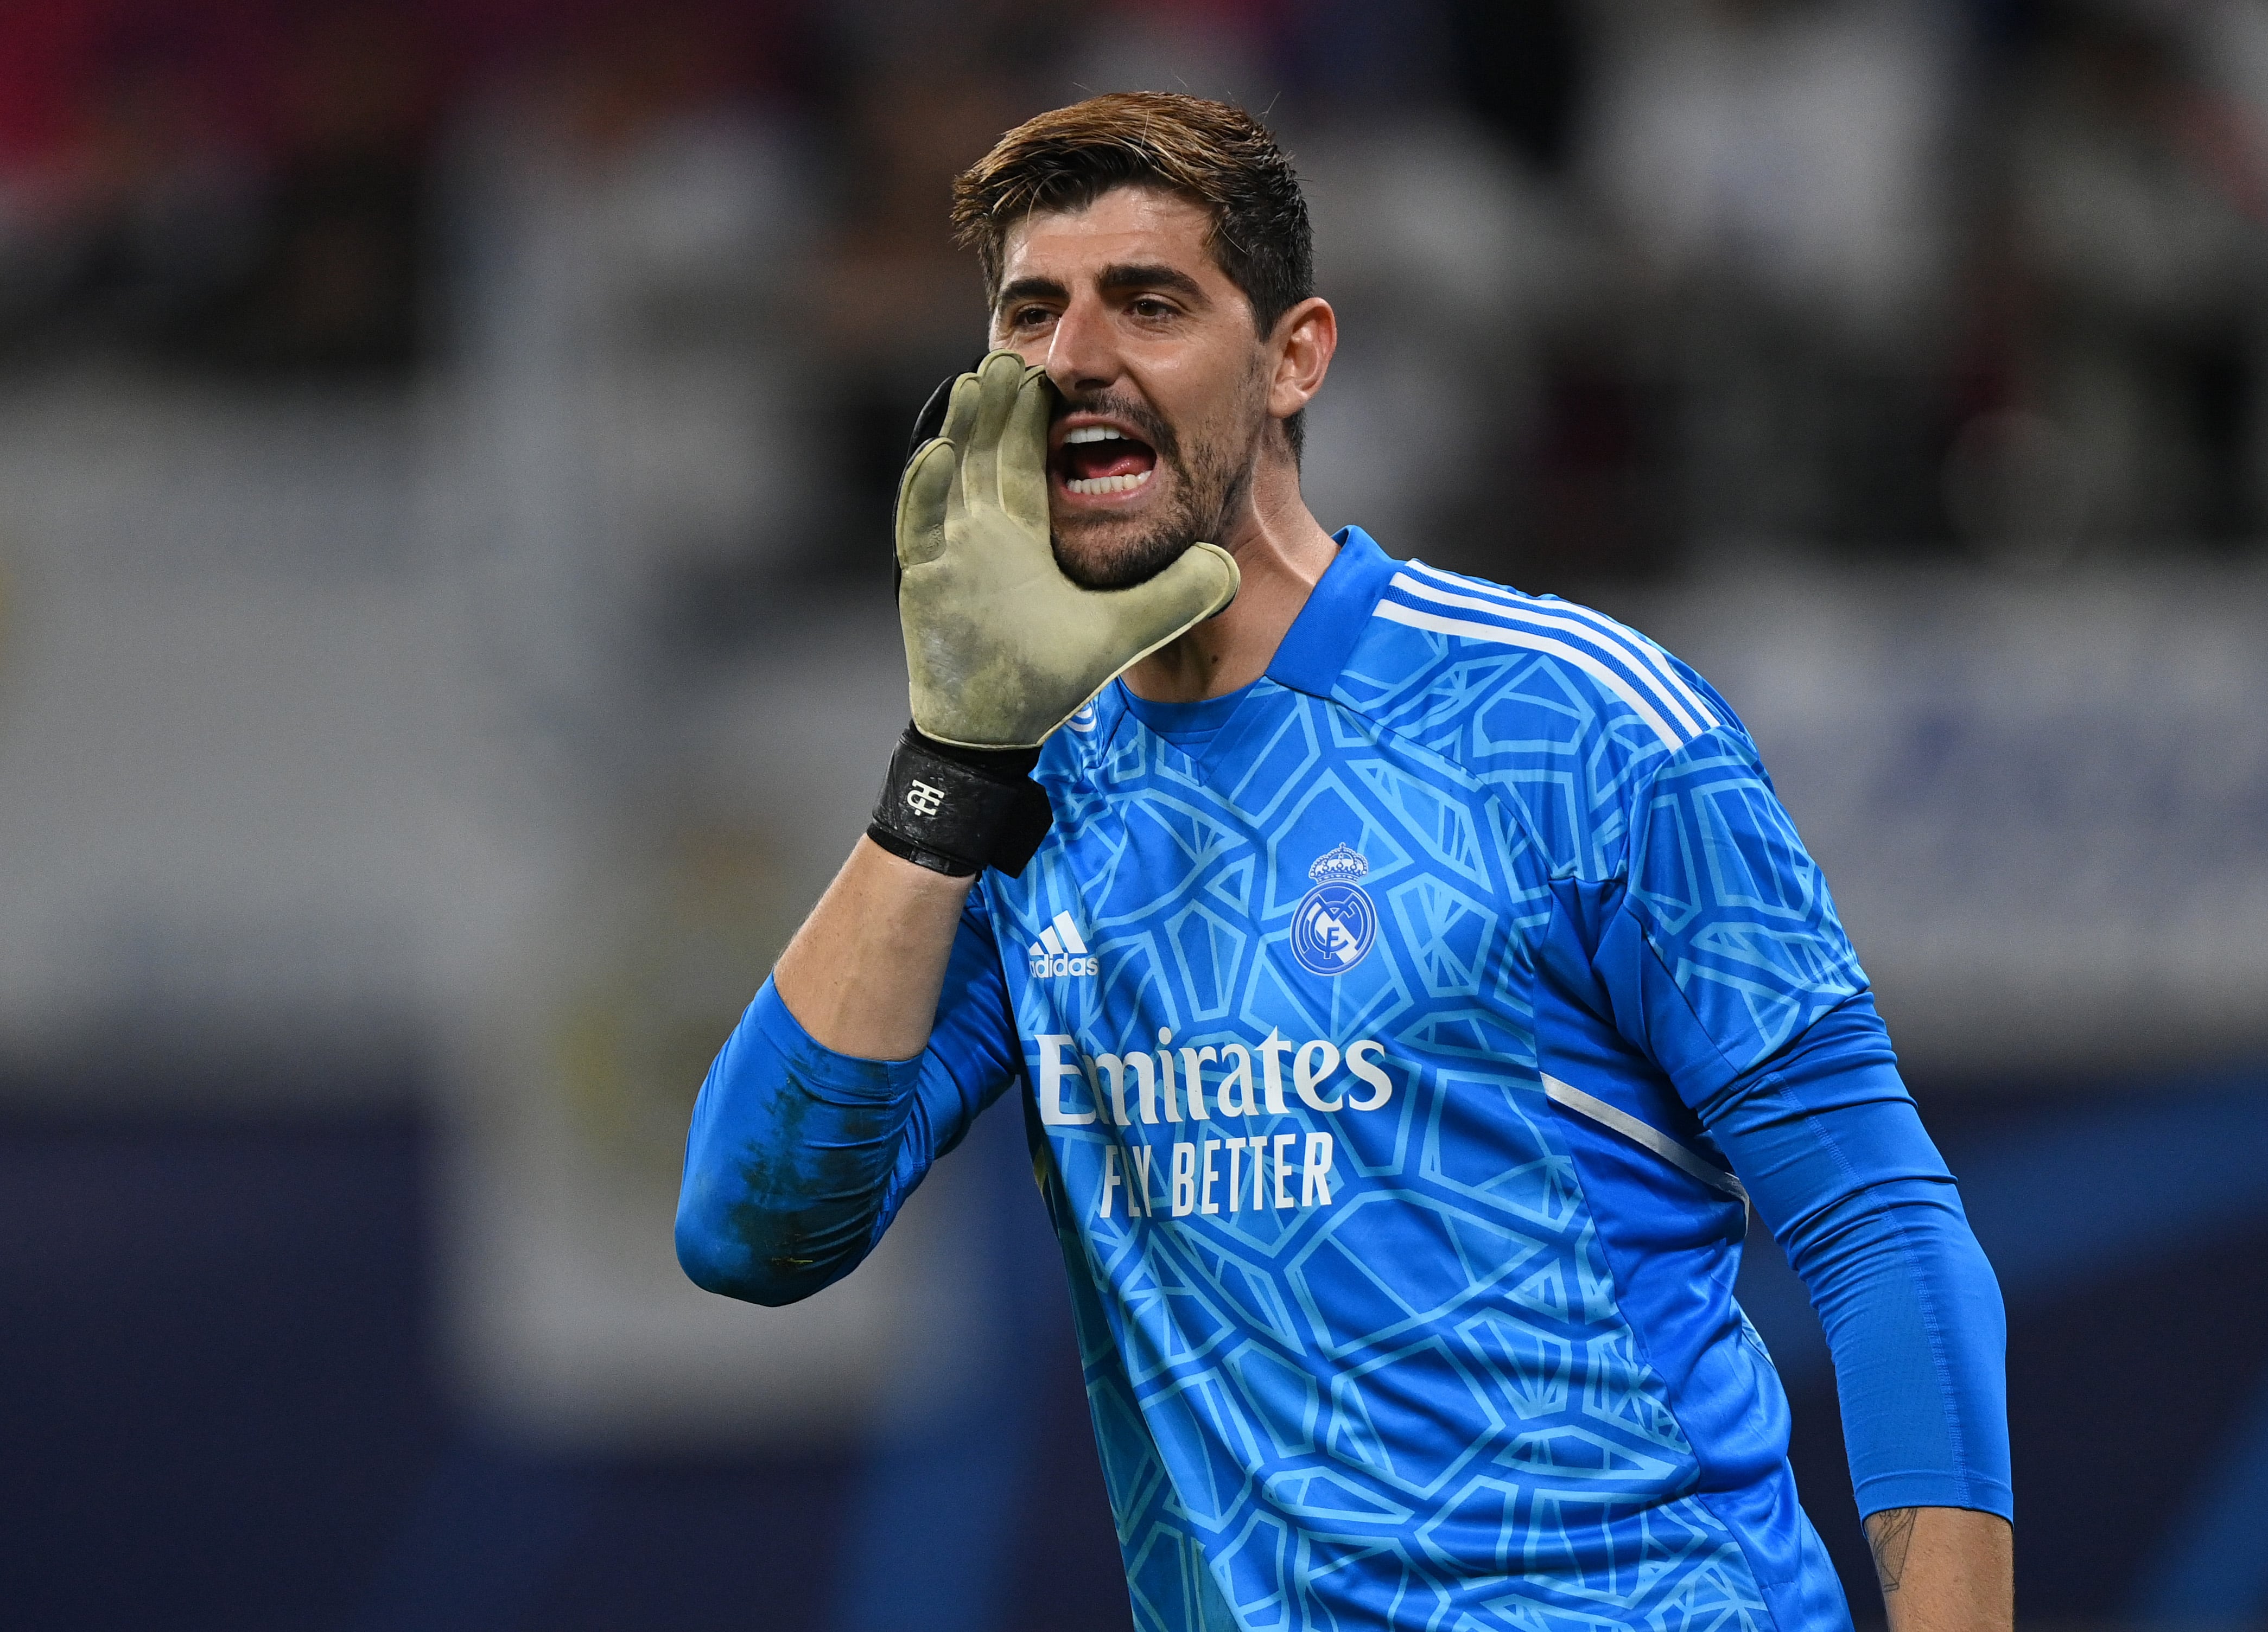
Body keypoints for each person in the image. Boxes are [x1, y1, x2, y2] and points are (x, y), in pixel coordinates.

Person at [675, 92, 2013, 1632]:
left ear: (1295, 355)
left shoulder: (1568, 722)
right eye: (1029, 315)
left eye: (1150, 303)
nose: (1072, 359)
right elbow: (750, 1232)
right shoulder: (1025, 804)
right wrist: (953, 764)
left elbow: (1884, 1238)